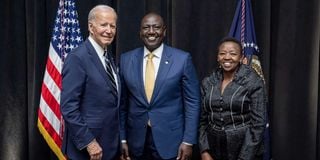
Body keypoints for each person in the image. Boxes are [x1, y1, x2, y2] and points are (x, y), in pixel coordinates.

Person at [119, 12, 201, 160]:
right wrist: (123, 139)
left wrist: (188, 140)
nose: (151, 31)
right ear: (140, 32)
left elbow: (192, 103)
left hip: (171, 141)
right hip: (136, 142)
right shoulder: (126, 60)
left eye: (156, 27)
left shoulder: (182, 59)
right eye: (146, 27)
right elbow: (122, 104)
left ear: (164, 31)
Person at [60, 5, 120, 160]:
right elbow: (68, 107)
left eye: (112, 26)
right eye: (104, 24)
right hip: (89, 150)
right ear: (91, 27)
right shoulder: (77, 58)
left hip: (109, 145)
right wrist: (89, 142)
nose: (109, 30)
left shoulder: (108, 56)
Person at [198, 37, 267, 160]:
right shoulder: (208, 82)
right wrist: (204, 151)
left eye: (233, 54)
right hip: (214, 149)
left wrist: (245, 157)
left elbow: (258, 125)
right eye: (222, 53)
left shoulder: (253, 81)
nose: (227, 57)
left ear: (241, 58)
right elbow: (202, 121)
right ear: (217, 57)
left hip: (245, 150)